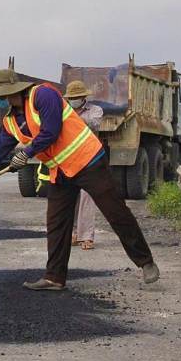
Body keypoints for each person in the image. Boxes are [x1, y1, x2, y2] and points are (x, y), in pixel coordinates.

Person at [0, 69, 159, 289]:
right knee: (56, 223)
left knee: (115, 211)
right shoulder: (10, 122)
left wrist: (26, 153)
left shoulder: (43, 95)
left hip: (88, 161)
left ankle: (146, 262)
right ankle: (54, 277)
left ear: (12, 92)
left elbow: (51, 131)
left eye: (1, 96)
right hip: (61, 171)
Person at [64, 80, 104, 251]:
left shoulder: (95, 111)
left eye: (77, 97)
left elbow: (94, 124)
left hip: (89, 158)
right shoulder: (63, 111)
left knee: (87, 196)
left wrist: (72, 118)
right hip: (68, 158)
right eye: (71, 98)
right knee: (68, 197)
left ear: (83, 97)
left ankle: (86, 236)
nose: (74, 100)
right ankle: (73, 232)